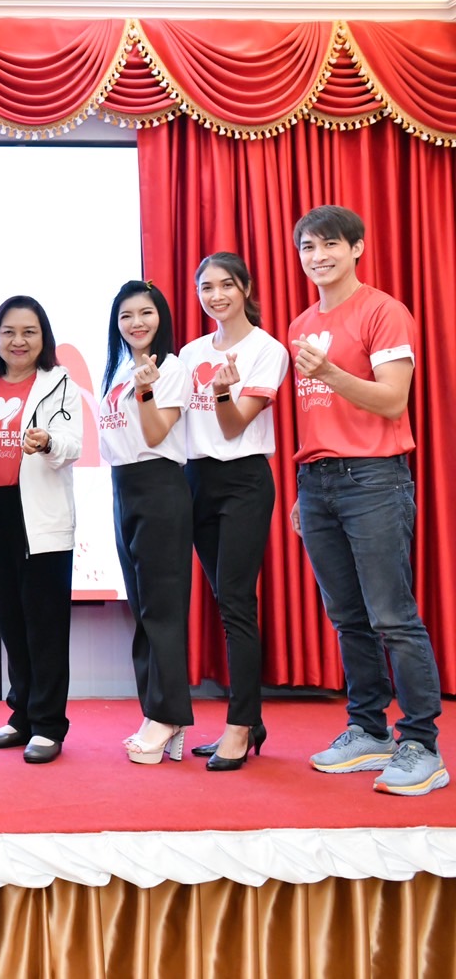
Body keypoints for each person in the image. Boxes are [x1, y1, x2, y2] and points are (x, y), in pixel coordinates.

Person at [288, 205, 446, 796]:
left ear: (356, 248)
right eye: (308, 247)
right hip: (319, 481)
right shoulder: (302, 323)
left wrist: (330, 371)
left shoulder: (383, 311)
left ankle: (422, 744)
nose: (318, 256)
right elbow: (315, 416)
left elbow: (392, 400)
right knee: (347, 617)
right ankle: (368, 730)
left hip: (374, 479)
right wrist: (305, 488)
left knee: (393, 617)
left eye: (330, 244)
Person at [178, 254, 289, 772]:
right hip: (196, 480)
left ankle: (240, 724)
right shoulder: (190, 352)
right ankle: (251, 719)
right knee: (226, 600)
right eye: (207, 287)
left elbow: (232, 426)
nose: (216, 295)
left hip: (244, 480)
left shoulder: (268, 350)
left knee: (238, 601)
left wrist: (222, 390)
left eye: (226, 284)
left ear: (245, 288)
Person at [0, 296, 81, 765]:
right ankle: (22, 716)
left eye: (29, 332)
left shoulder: (60, 383)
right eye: (9, 332)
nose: (18, 341)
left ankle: (49, 724)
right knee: (11, 622)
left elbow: (73, 444)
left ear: (43, 338)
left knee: (45, 626)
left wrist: (48, 441)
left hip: (40, 515)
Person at [98, 280, 193, 765]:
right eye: (126, 315)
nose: (136, 323)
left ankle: (167, 714)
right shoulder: (118, 371)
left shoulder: (171, 368)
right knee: (143, 610)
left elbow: (156, 434)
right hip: (125, 488)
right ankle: (155, 712)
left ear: (162, 317)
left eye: (146, 313)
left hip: (159, 487)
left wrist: (147, 389)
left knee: (162, 609)